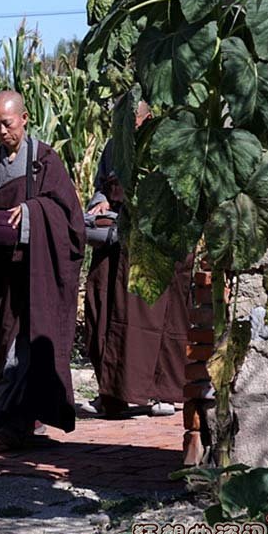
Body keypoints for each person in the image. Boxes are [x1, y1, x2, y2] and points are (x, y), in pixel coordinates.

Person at [0, 90, 85, 447]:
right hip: (3, 272)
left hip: (38, 270)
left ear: (24, 119)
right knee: (6, 343)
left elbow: (69, 215)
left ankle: (22, 422)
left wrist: (34, 211)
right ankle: (15, 421)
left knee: (32, 345)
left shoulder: (44, 160)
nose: (1, 131)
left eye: (7, 123)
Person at [83, 101, 191, 418]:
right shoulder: (115, 146)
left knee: (158, 321)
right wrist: (100, 203)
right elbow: (102, 186)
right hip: (116, 245)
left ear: (147, 119)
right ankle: (111, 393)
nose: (127, 128)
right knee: (100, 311)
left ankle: (160, 394)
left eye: (132, 121)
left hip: (154, 246)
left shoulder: (165, 145)